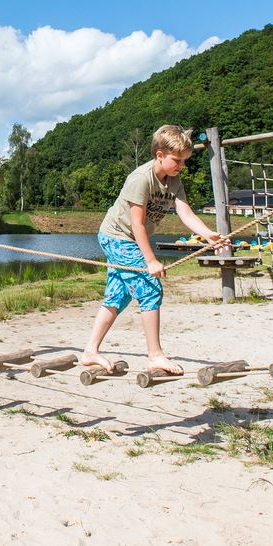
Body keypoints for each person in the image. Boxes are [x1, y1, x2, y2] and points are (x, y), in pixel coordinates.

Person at [81, 125, 228, 375]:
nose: (181, 165)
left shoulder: (174, 180)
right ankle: (155, 355)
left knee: (118, 296)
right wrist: (150, 260)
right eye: (177, 160)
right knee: (150, 288)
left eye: (184, 160)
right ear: (159, 155)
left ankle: (90, 352)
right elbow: (137, 224)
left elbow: (185, 211)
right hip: (117, 237)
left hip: (129, 239)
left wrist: (207, 235)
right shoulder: (140, 179)